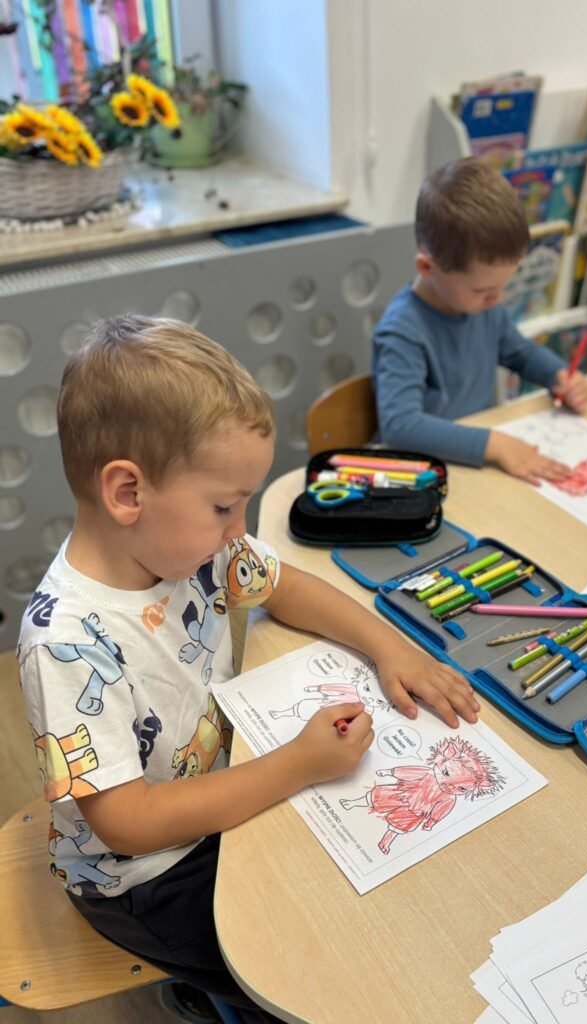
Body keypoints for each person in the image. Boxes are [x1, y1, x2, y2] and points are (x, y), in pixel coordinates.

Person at [17, 315, 479, 1023]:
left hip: (220, 793)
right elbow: (129, 825)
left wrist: (389, 647)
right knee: (310, 972)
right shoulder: (64, 642)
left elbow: (286, 586)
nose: (240, 531)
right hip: (144, 879)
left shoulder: (190, 547)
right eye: (225, 507)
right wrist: (298, 765)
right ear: (128, 493)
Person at [372, 157, 587, 485]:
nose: (497, 299)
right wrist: (494, 444)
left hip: (473, 463)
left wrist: (557, 375)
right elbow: (400, 426)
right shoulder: (402, 331)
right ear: (427, 268)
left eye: (504, 285)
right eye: (483, 290)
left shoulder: (482, 305)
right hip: (426, 475)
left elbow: (518, 351)